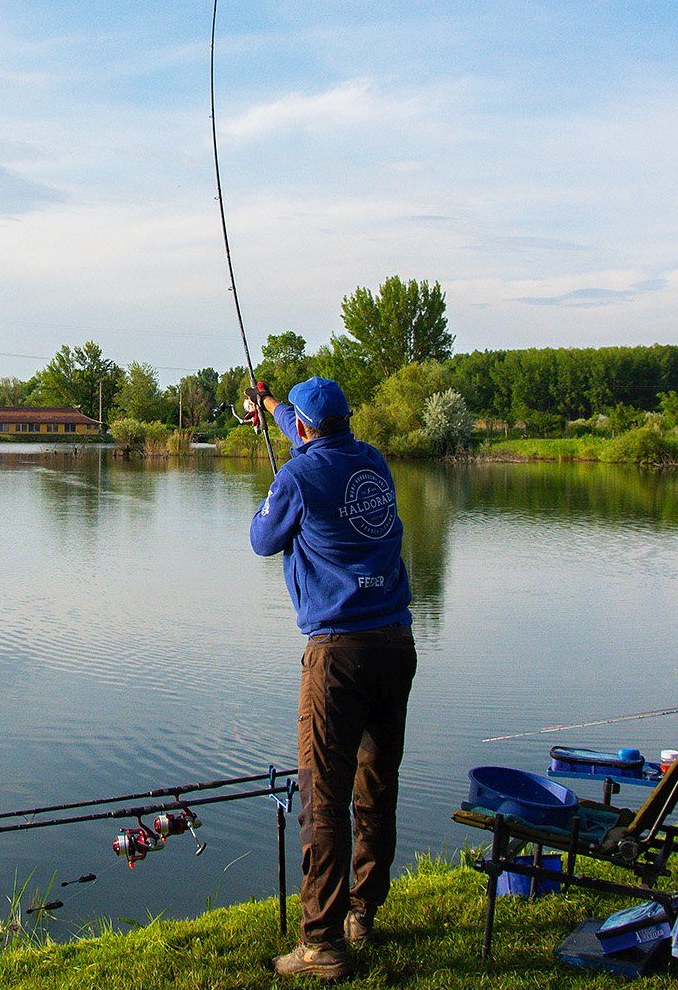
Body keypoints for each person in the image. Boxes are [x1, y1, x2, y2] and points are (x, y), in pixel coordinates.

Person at [246, 376, 416, 982]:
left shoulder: (295, 477)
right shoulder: (372, 461)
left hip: (338, 654)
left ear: (309, 427)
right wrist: (270, 407)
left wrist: (278, 480)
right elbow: (310, 431)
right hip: (396, 645)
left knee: (323, 797)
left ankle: (321, 942)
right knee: (376, 784)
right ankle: (363, 911)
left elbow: (263, 540)